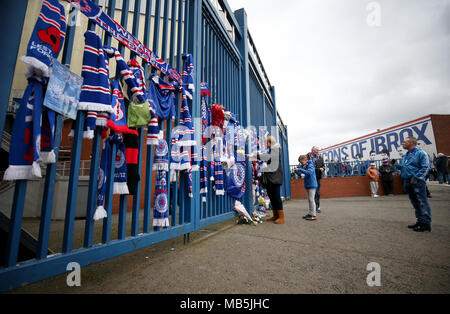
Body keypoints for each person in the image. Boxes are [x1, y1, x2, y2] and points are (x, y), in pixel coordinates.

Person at [396, 137, 432, 232]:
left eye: (404, 142)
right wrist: (397, 166)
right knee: (415, 202)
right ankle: (420, 220)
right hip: (407, 181)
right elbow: (406, 167)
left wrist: (417, 177)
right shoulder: (406, 155)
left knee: (422, 201)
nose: (402, 143)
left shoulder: (421, 153)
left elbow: (426, 167)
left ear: (411, 143)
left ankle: (426, 223)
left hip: (417, 182)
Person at [254, 136, 285, 224]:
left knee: (276, 197)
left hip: (275, 177)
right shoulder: (271, 150)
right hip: (270, 177)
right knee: (272, 196)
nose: (265, 144)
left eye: (266, 142)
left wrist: (256, 155)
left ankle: (281, 217)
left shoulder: (275, 149)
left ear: (270, 143)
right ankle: (276, 215)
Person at [297, 155, 318, 221]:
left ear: (305, 160)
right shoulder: (305, 166)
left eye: (302, 162)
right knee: (309, 200)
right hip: (308, 185)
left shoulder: (310, 165)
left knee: (311, 200)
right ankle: (310, 213)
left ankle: (314, 215)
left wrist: (300, 169)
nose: (301, 164)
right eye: (300, 163)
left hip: (312, 185)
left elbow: (309, 173)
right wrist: (297, 172)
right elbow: (302, 174)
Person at [307, 146, 325, 213]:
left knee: (318, 192)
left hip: (317, 177)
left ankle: (317, 207)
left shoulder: (320, 157)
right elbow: (305, 165)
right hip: (310, 177)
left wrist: (323, 168)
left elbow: (323, 165)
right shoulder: (307, 156)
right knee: (311, 193)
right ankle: (312, 207)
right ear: (312, 150)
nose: (318, 151)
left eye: (318, 150)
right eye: (316, 150)